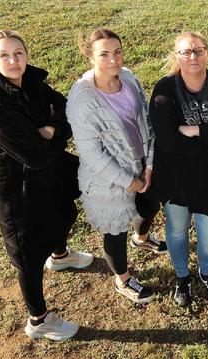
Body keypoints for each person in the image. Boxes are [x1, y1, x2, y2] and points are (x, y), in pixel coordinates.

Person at [0, 30, 93, 341]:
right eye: (4, 55)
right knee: (28, 251)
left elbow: (64, 106)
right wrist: (50, 133)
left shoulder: (32, 82)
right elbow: (33, 154)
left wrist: (52, 128)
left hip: (48, 168)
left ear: (27, 55)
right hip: (14, 186)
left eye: (18, 53)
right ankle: (38, 319)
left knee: (64, 209)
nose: (13, 60)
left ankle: (61, 256)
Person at [66, 28, 165, 304]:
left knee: (149, 206)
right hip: (107, 180)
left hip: (142, 164)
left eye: (117, 52)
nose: (114, 60)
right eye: (104, 54)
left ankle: (142, 238)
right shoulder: (82, 98)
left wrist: (149, 165)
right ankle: (122, 279)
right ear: (91, 57)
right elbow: (91, 153)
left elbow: (146, 118)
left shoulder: (129, 78)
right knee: (115, 229)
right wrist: (128, 181)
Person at [149, 31, 208, 307]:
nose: (193, 56)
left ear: (207, 53)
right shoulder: (165, 89)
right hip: (175, 180)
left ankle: (207, 272)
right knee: (177, 232)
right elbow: (167, 139)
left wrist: (192, 130)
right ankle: (182, 277)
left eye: (198, 50)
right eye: (186, 52)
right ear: (176, 57)